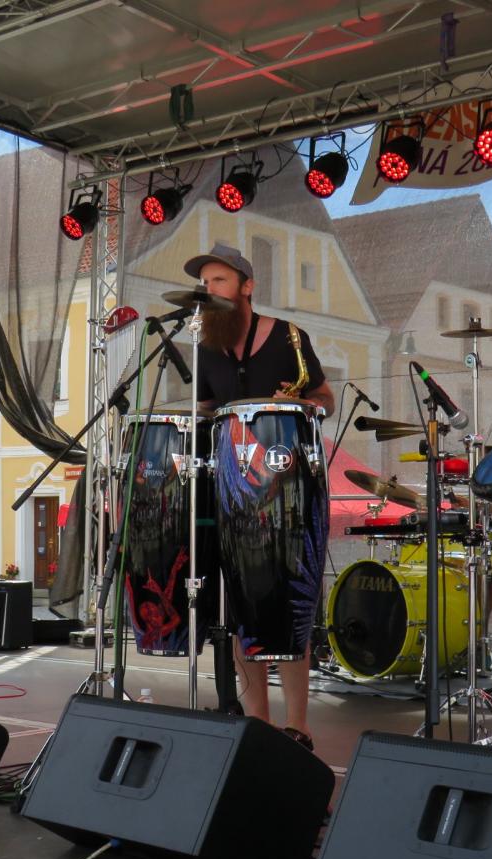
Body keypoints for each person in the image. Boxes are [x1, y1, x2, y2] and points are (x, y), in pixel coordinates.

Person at [187, 243, 336, 749]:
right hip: (233, 488)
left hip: (288, 484)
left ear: (247, 286)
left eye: (219, 281)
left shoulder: (290, 337)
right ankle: (259, 727)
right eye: (205, 282)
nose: (209, 290)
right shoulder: (206, 347)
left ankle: (299, 726)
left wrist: (302, 403)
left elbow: (326, 398)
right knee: (240, 607)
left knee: (289, 606)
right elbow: (206, 409)